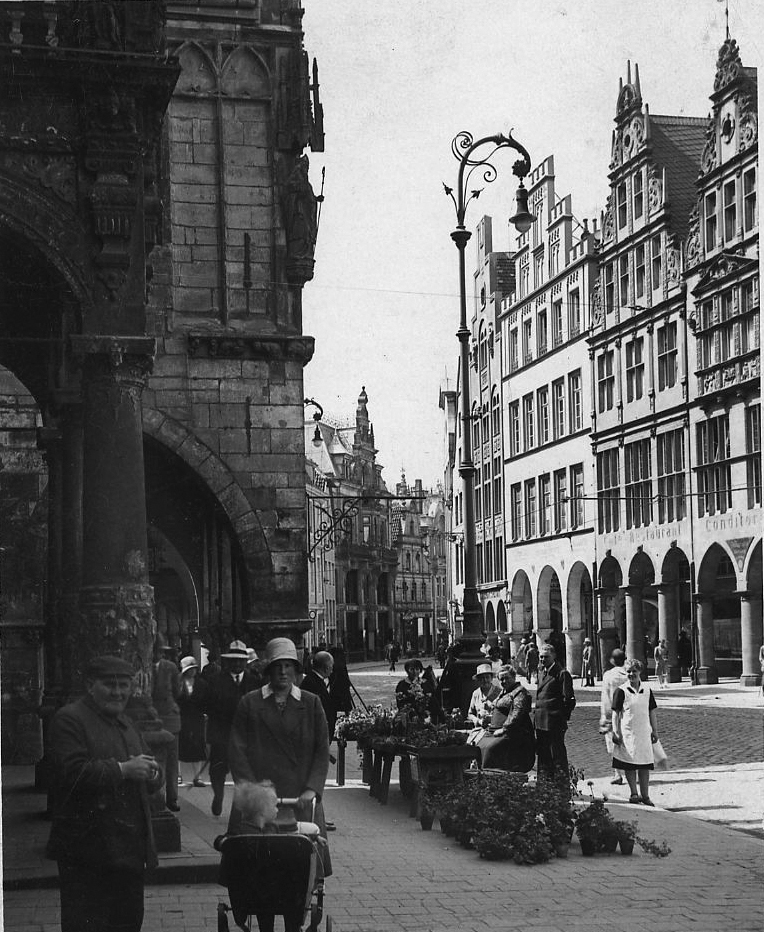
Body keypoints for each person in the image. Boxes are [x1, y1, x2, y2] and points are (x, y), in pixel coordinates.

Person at [47, 656, 163, 932]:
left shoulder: (126, 722)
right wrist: (123, 769)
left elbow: (147, 772)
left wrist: (153, 774)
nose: (119, 692)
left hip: (129, 851)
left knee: (127, 923)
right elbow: (71, 774)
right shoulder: (69, 719)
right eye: (110, 685)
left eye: (124, 685)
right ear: (90, 685)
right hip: (87, 853)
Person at [228, 638, 330, 836]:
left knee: (306, 854)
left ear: (295, 670)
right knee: (250, 855)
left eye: (288, 665)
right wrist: (253, 791)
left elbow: (321, 751)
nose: (283, 672)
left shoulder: (311, 703)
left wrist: (312, 789)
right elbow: (236, 751)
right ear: (269, 670)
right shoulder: (250, 703)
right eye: (277, 666)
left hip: (301, 797)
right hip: (259, 799)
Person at [217, 780, 331, 932]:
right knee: (292, 903)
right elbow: (293, 838)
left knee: (264, 912)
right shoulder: (273, 829)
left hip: (255, 891)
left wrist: (224, 843)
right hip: (284, 890)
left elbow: (223, 841)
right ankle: (293, 927)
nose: (278, 809)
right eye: (274, 806)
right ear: (263, 812)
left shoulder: (240, 832)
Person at [205, 640, 261, 816]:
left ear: (246, 662)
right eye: (233, 660)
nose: (237, 664)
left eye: (240, 660)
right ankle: (218, 795)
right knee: (218, 768)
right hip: (222, 733)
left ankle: (240, 807)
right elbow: (209, 706)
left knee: (243, 771)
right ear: (227, 661)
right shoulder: (215, 681)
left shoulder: (254, 681)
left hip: (245, 735)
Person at [611, 658, 660, 806]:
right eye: (628, 672)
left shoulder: (647, 690)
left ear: (640, 672)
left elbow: (651, 711)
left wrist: (654, 730)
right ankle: (634, 793)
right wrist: (616, 732)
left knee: (644, 764)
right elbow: (615, 713)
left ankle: (645, 796)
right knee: (629, 763)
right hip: (628, 733)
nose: (631, 674)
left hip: (643, 732)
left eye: (634, 671)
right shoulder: (622, 691)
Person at [476, 665, 536, 772]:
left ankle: (493, 776)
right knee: (480, 745)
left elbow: (516, 714)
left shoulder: (520, 692)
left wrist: (504, 729)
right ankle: (483, 773)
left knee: (491, 749)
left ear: (514, 677)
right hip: (495, 730)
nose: (504, 681)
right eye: (501, 679)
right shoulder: (504, 692)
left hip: (513, 733)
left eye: (507, 678)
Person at [533, 643, 576, 780]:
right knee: (543, 756)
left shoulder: (562, 674)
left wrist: (560, 717)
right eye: (541, 657)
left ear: (554, 656)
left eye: (546, 657)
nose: (542, 660)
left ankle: (560, 788)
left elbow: (569, 700)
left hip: (554, 723)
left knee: (557, 756)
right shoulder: (542, 673)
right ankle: (545, 787)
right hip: (540, 722)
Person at [152, 644, 181, 811]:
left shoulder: (170, 668)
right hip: (152, 715)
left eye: (161, 651)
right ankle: (158, 794)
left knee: (171, 759)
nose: (158, 654)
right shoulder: (144, 667)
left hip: (170, 717)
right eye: (156, 651)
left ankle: (172, 797)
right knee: (156, 758)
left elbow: (177, 691)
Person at [177, 655, 210, 786]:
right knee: (180, 746)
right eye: (190, 669)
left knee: (198, 746)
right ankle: (178, 775)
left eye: (194, 668)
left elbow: (207, 700)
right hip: (182, 717)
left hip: (197, 718)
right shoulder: (178, 683)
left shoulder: (202, 684)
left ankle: (198, 776)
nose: (193, 671)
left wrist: (206, 712)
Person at [600, 647, 629, 785]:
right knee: (628, 742)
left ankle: (617, 773)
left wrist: (604, 716)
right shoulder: (629, 674)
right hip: (628, 713)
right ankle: (631, 772)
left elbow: (606, 698)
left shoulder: (608, 675)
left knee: (613, 742)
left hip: (613, 713)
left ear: (612, 661)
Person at [395, 658, 440, 723]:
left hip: (427, 714)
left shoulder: (425, 683)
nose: (415, 672)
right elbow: (400, 703)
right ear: (407, 671)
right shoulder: (402, 685)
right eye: (412, 669)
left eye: (417, 669)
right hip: (409, 715)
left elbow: (433, 699)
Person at [466, 663, 501, 728]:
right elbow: (470, 714)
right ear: (478, 680)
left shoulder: (499, 692)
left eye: (487, 677)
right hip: (480, 729)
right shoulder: (476, 694)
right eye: (482, 678)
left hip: (496, 728)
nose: (485, 680)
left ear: (491, 678)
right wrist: (477, 720)